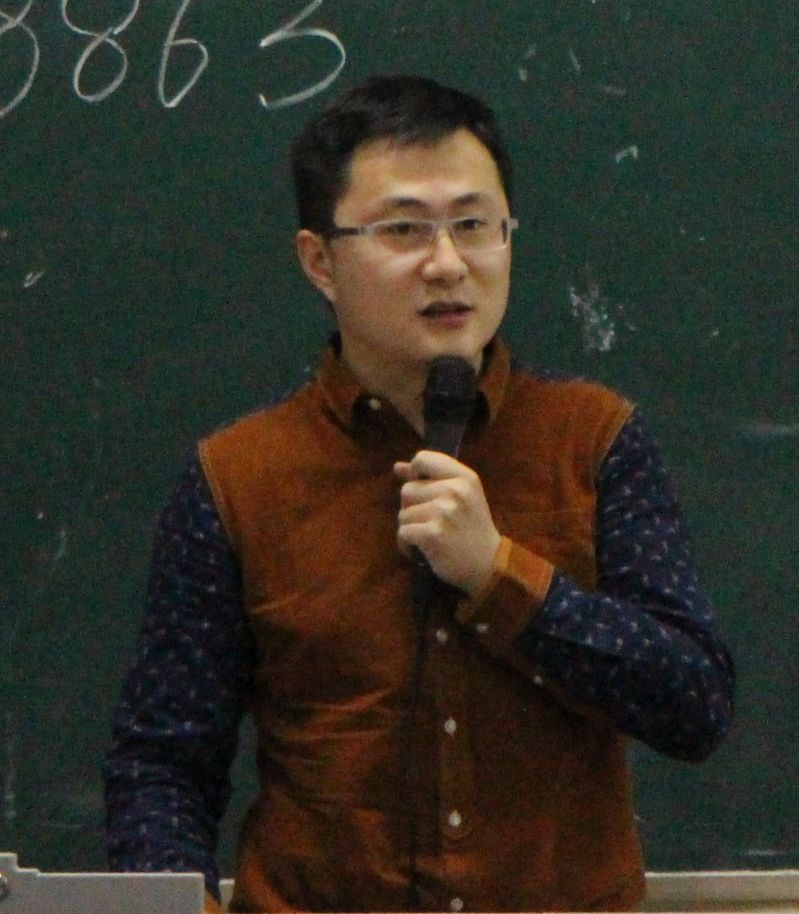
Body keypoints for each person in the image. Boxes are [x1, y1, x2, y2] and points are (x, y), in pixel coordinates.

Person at [104, 75, 735, 913]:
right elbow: (163, 762)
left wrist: (499, 575)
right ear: (320, 261)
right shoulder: (239, 477)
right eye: (404, 229)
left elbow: (693, 702)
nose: (447, 264)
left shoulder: (595, 440)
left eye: (474, 225)